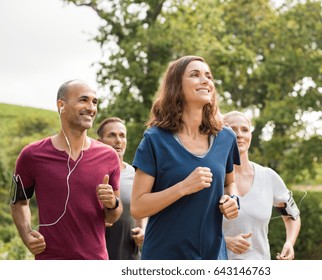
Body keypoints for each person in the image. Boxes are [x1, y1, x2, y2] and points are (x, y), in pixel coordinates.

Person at [131, 55, 241, 260]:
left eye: (208, 76)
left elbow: (229, 183)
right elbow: (137, 207)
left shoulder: (226, 137)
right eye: (195, 75)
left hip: (213, 256)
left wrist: (233, 200)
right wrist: (183, 187)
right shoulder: (155, 140)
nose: (205, 80)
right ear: (177, 86)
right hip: (165, 257)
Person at [10, 79, 123, 260]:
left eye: (95, 102)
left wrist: (112, 204)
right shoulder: (31, 155)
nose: (91, 107)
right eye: (83, 100)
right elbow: (18, 202)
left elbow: (112, 218)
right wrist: (26, 234)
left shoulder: (109, 156)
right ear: (61, 105)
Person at [222, 110, 301, 260]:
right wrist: (225, 242)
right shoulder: (211, 178)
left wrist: (289, 242)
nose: (239, 134)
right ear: (221, 136)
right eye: (232, 130)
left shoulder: (268, 176)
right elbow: (191, 229)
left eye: (244, 130)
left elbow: (292, 216)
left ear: (250, 136)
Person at [97, 117, 147, 260]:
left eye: (122, 135)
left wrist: (143, 229)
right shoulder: (90, 174)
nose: (118, 140)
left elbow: (144, 210)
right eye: (112, 135)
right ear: (99, 142)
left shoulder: (136, 174)